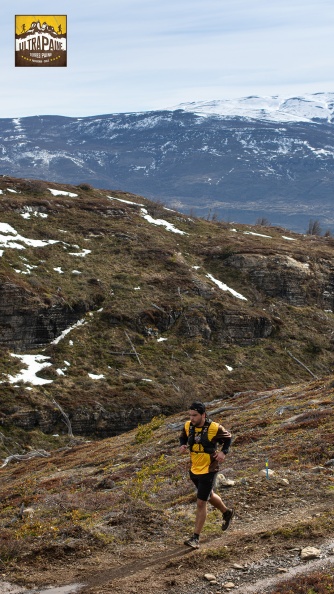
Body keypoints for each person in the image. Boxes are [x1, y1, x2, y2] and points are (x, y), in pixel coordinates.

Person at [179, 401, 234, 549]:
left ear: (203, 414)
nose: (192, 418)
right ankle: (226, 512)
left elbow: (228, 438)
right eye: (190, 415)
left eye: (195, 415)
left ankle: (195, 538)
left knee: (201, 502)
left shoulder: (214, 428)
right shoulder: (188, 426)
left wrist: (223, 452)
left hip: (210, 469)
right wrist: (182, 445)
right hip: (195, 469)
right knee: (208, 495)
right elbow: (183, 437)